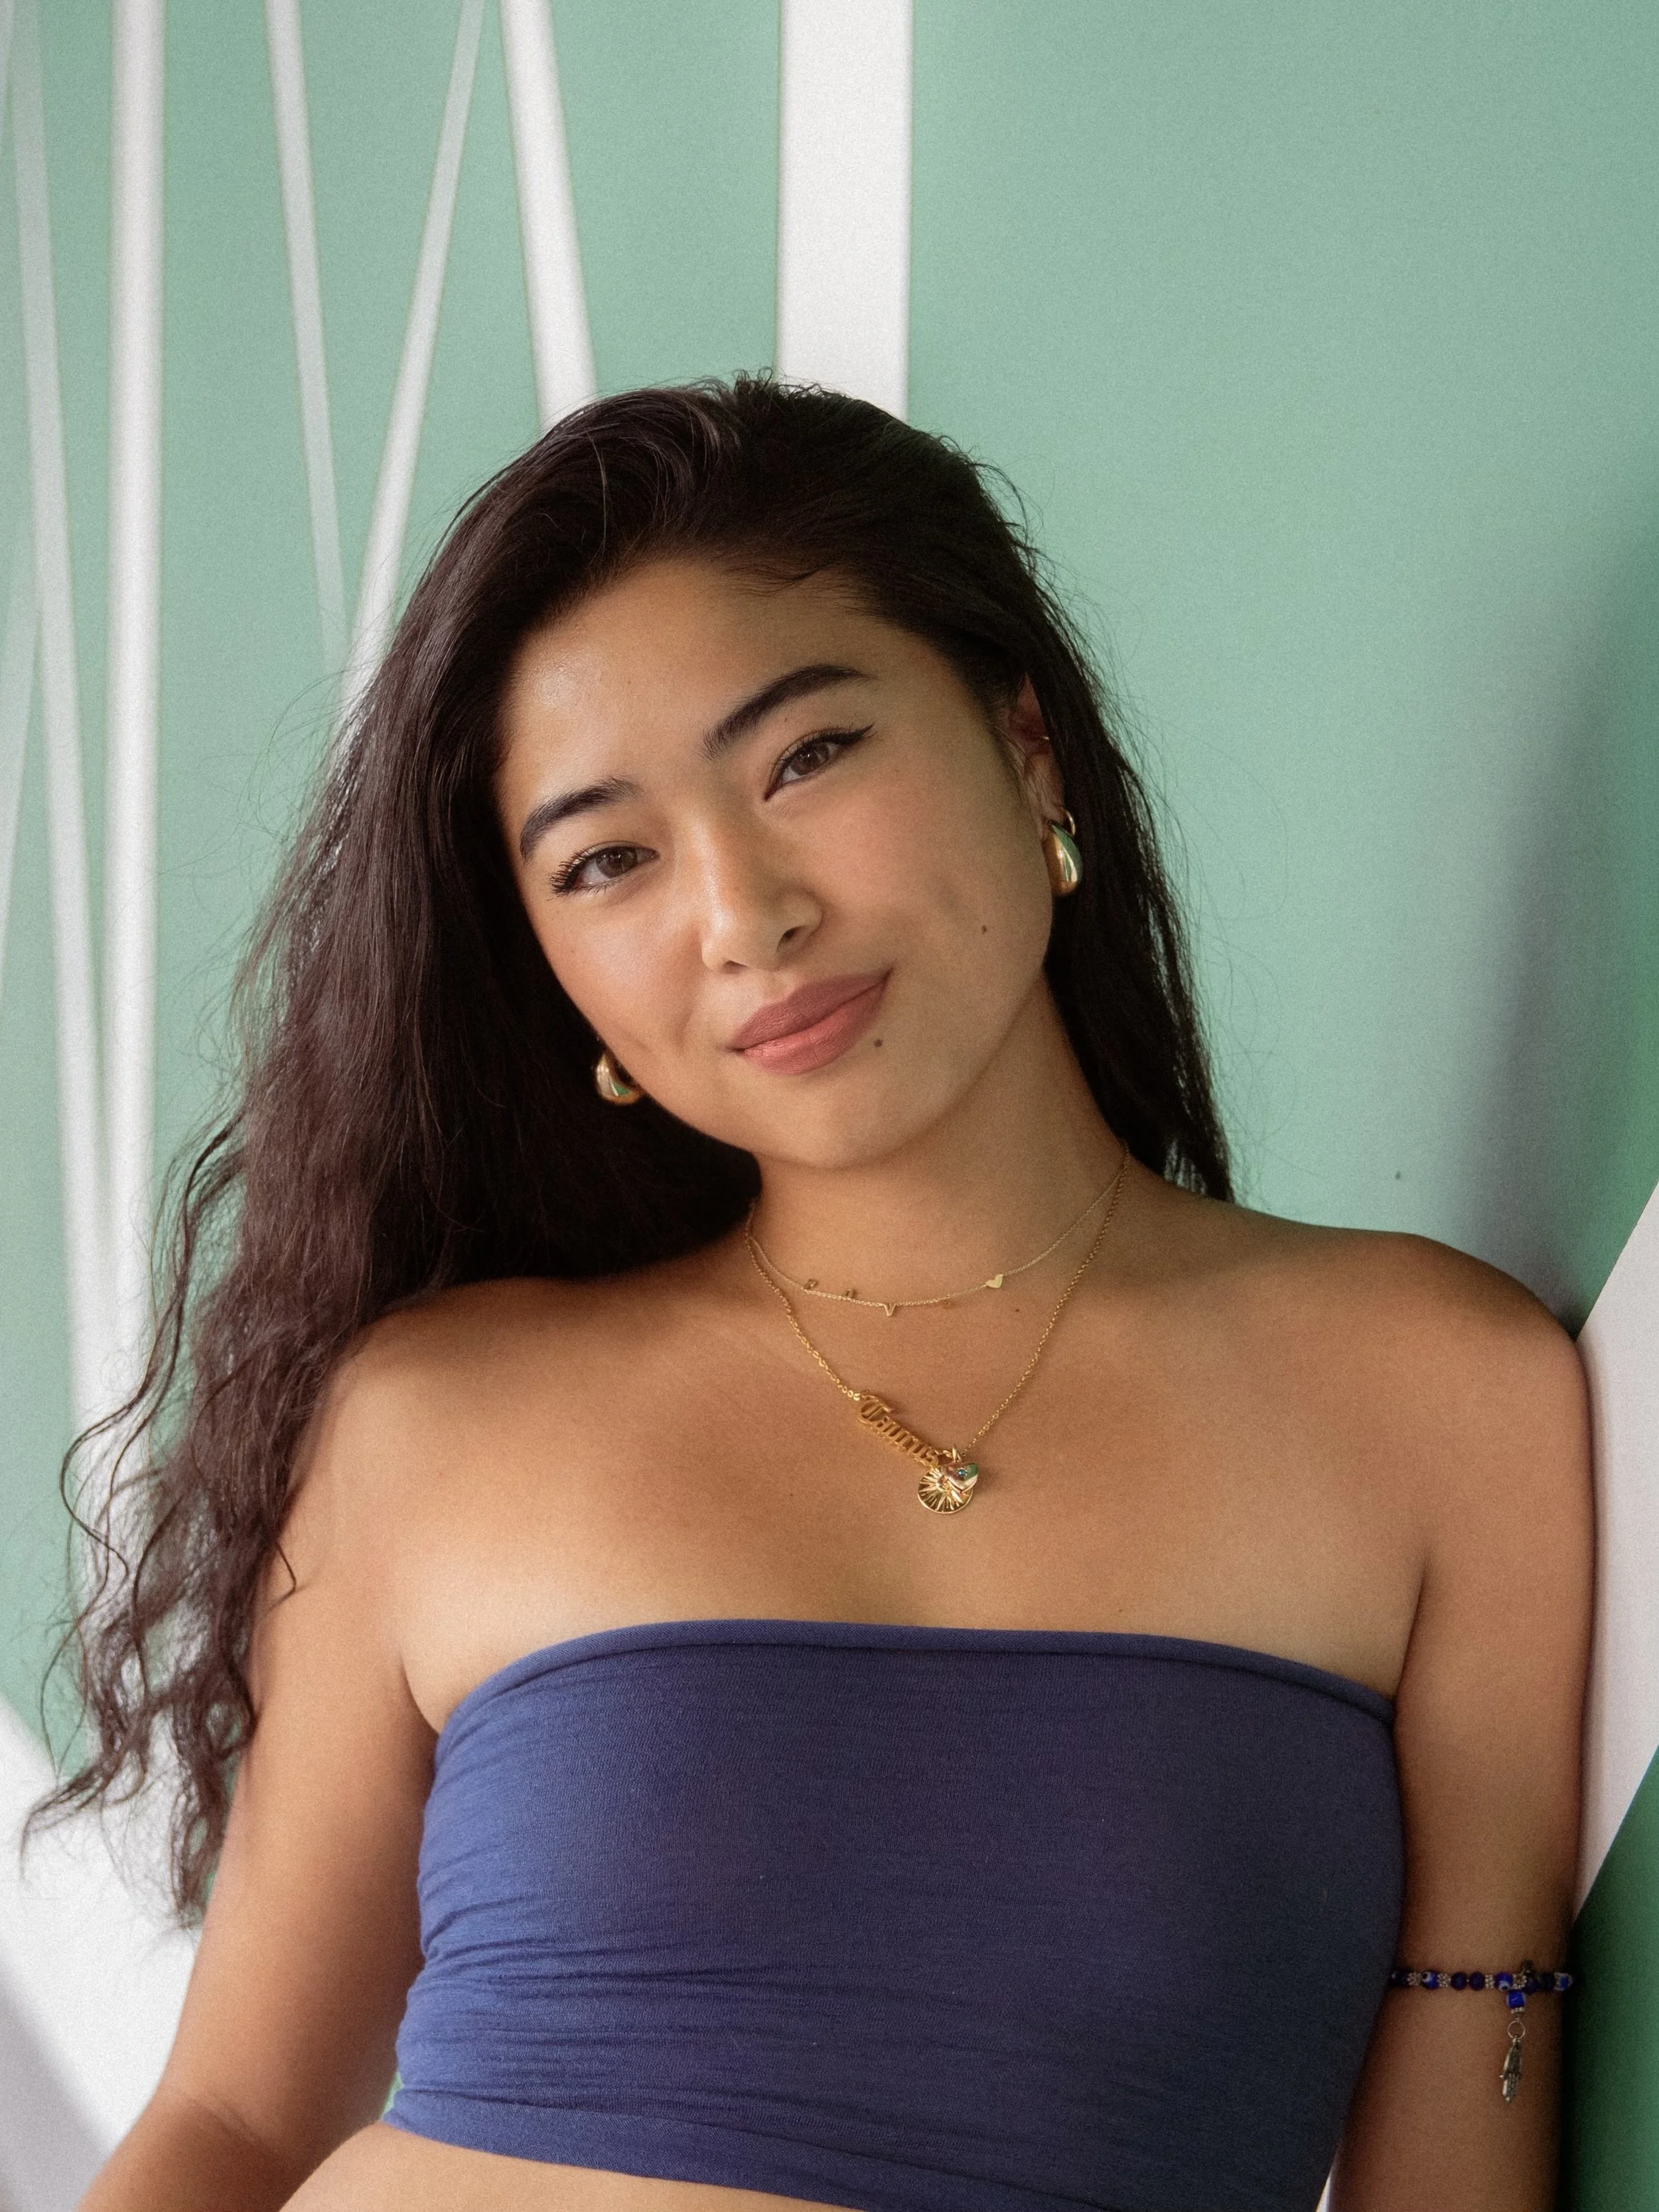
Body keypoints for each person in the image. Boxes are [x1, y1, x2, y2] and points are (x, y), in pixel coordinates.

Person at [37, 378, 1589, 2212]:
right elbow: (227, 2123)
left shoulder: (1437, 1397)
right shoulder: (437, 1412)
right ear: (550, 970)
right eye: (608, 858)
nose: (742, 910)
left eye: (807, 757)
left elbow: (1469, 2084)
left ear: (1026, 746)